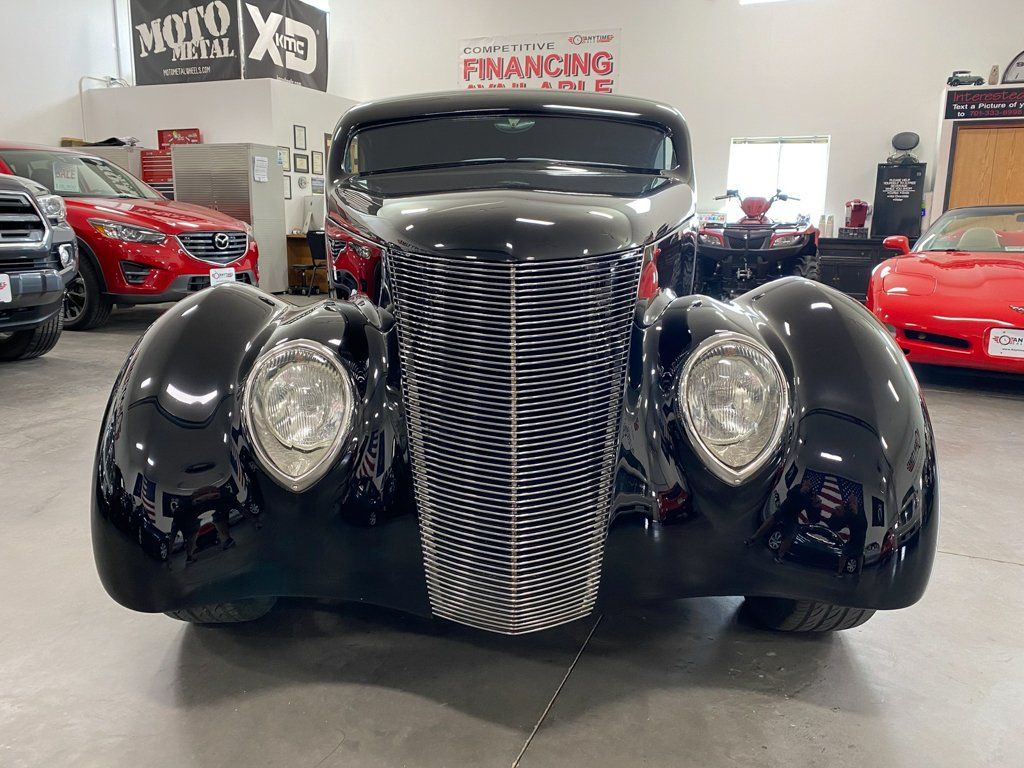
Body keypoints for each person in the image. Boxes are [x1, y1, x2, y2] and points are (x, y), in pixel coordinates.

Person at [746, 477, 818, 563]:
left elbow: (811, 515)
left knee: (789, 535)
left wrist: (816, 507)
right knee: (770, 521)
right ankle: (753, 538)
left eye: (809, 483)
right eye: (806, 482)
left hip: (793, 516)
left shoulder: (810, 496)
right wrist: (801, 491)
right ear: (804, 482)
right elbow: (790, 495)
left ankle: (780, 556)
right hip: (784, 509)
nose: (808, 484)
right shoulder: (797, 487)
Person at [835, 495, 867, 577]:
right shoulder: (849, 511)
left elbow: (864, 525)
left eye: (853, 500)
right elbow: (842, 523)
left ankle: (859, 573)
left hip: (860, 539)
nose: (851, 502)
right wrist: (840, 514)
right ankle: (839, 573)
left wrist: (856, 513)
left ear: (856, 501)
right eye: (850, 501)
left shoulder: (860, 510)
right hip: (852, 538)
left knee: (859, 555)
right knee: (844, 554)